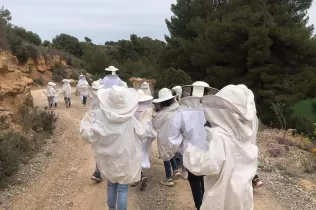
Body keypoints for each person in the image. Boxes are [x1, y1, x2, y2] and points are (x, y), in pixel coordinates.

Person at [183, 84, 258, 210]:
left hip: (222, 195)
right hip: (242, 191)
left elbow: (209, 165)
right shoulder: (245, 136)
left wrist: (190, 153)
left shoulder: (220, 137)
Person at [80, 85, 148, 210]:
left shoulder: (101, 116)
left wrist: (87, 120)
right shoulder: (130, 118)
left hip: (109, 157)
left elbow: (88, 135)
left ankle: (111, 208)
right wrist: (144, 120)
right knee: (122, 189)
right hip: (125, 157)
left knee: (111, 184)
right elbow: (142, 134)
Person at [168, 81, 217, 210]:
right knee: (207, 182)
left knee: (195, 181)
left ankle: (200, 206)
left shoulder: (182, 112)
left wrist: (178, 151)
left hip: (191, 154)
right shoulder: (213, 112)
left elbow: (173, 137)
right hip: (210, 153)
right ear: (207, 93)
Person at [152, 88, 181, 186]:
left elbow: (155, 125)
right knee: (171, 152)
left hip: (164, 136)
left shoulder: (162, 114)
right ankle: (176, 169)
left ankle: (168, 178)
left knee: (165, 156)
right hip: (174, 135)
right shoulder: (177, 109)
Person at [131, 89, 156, 191]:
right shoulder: (148, 109)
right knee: (142, 153)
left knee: (134, 155)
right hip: (145, 135)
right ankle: (139, 175)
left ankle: (138, 177)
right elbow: (150, 126)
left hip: (134, 135)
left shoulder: (132, 109)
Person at [88, 80, 104, 182]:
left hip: (94, 120)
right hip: (103, 118)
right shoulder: (102, 94)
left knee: (97, 148)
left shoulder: (91, 94)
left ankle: (98, 171)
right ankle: (99, 171)